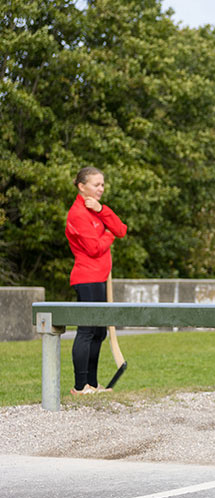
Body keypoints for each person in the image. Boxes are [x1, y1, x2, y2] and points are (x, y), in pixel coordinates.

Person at [65, 166, 127, 395]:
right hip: (86, 278)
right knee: (87, 330)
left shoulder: (95, 210)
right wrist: (108, 233)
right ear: (82, 187)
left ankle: (92, 384)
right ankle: (80, 387)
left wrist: (102, 210)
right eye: (96, 184)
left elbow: (121, 229)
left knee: (99, 333)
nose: (101, 188)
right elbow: (93, 248)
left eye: (102, 184)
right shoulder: (77, 214)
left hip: (99, 278)